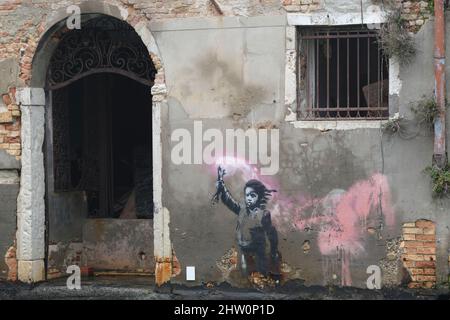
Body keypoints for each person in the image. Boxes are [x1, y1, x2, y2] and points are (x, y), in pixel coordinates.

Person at [212, 166, 281, 279]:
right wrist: (221, 182)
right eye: (247, 195)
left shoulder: (263, 214)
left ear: (259, 197)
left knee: (261, 272)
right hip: (244, 247)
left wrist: (274, 251)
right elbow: (229, 201)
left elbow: (271, 233)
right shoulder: (242, 210)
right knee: (245, 273)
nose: (249, 198)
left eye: (252, 195)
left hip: (259, 249)